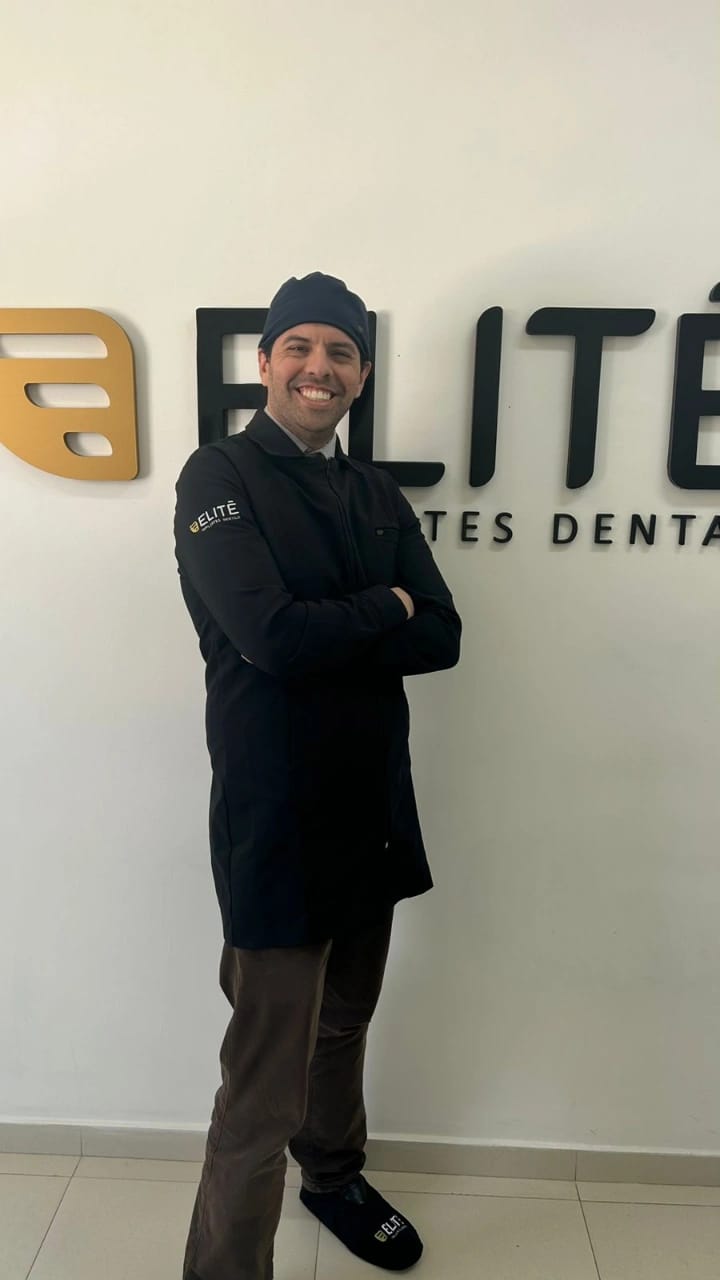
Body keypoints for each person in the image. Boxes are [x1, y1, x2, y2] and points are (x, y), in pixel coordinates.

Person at [174, 272, 461, 1280]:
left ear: (361, 375)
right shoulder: (218, 476)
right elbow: (271, 637)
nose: (318, 366)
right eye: (298, 346)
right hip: (277, 818)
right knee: (263, 1083)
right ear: (263, 363)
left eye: (340, 352)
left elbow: (444, 634)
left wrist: (351, 622)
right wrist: (384, 606)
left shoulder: (375, 492)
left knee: (343, 1024)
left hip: (372, 807)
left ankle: (333, 1176)